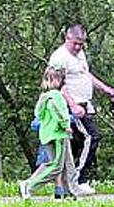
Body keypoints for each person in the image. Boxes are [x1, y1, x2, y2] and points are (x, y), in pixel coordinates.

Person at [48, 24, 114, 195]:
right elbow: (57, 85)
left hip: (85, 104)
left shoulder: (80, 55)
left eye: (82, 44)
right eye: (75, 44)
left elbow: (85, 74)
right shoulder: (59, 57)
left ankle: (69, 184)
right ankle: (77, 180)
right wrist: (73, 105)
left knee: (78, 143)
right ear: (67, 38)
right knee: (91, 137)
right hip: (71, 106)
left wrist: (105, 88)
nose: (79, 47)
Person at [19, 66, 77, 199]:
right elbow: (58, 111)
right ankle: (30, 185)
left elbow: (38, 114)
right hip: (58, 134)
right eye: (62, 79)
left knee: (67, 164)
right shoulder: (56, 96)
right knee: (56, 166)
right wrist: (65, 125)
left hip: (47, 134)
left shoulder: (43, 96)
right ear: (56, 80)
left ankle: (69, 193)